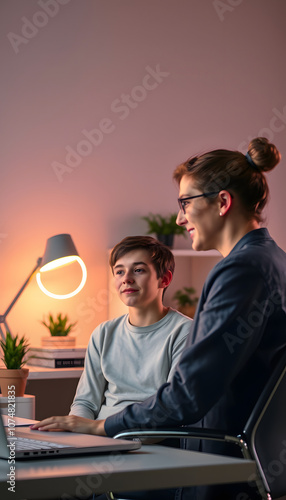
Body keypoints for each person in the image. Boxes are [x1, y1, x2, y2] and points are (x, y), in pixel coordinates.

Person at [32, 137, 286, 500]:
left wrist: (105, 426)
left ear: (223, 202)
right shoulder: (273, 259)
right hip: (250, 460)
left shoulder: (240, 270)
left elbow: (188, 394)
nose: (180, 218)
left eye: (185, 203)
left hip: (216, 466)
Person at [67, 236, 191, 421]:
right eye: (119, 272)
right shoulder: (103, 333)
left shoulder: (185, 332)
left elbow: (171, 409)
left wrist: (98, 430)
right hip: (98, 438)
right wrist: (75, 432)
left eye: (138, 270)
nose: (126, 279)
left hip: (148, 441)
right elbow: (85, 403)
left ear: (164, 279)